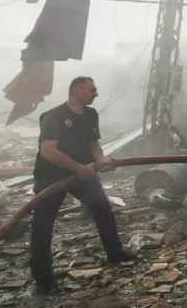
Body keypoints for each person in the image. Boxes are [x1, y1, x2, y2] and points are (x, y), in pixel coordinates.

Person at [30, 76, 134, 294]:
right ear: (77, 90)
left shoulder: (90, 114)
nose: (96, 94)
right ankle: (43, 280)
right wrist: (78, 168)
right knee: (43, 225)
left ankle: (115, 253)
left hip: (83, 174)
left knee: (102, 207)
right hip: (51, 177)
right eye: (92, 90)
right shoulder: (54, 116)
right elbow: (48, 151)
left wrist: (100, 160)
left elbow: (93, 143)